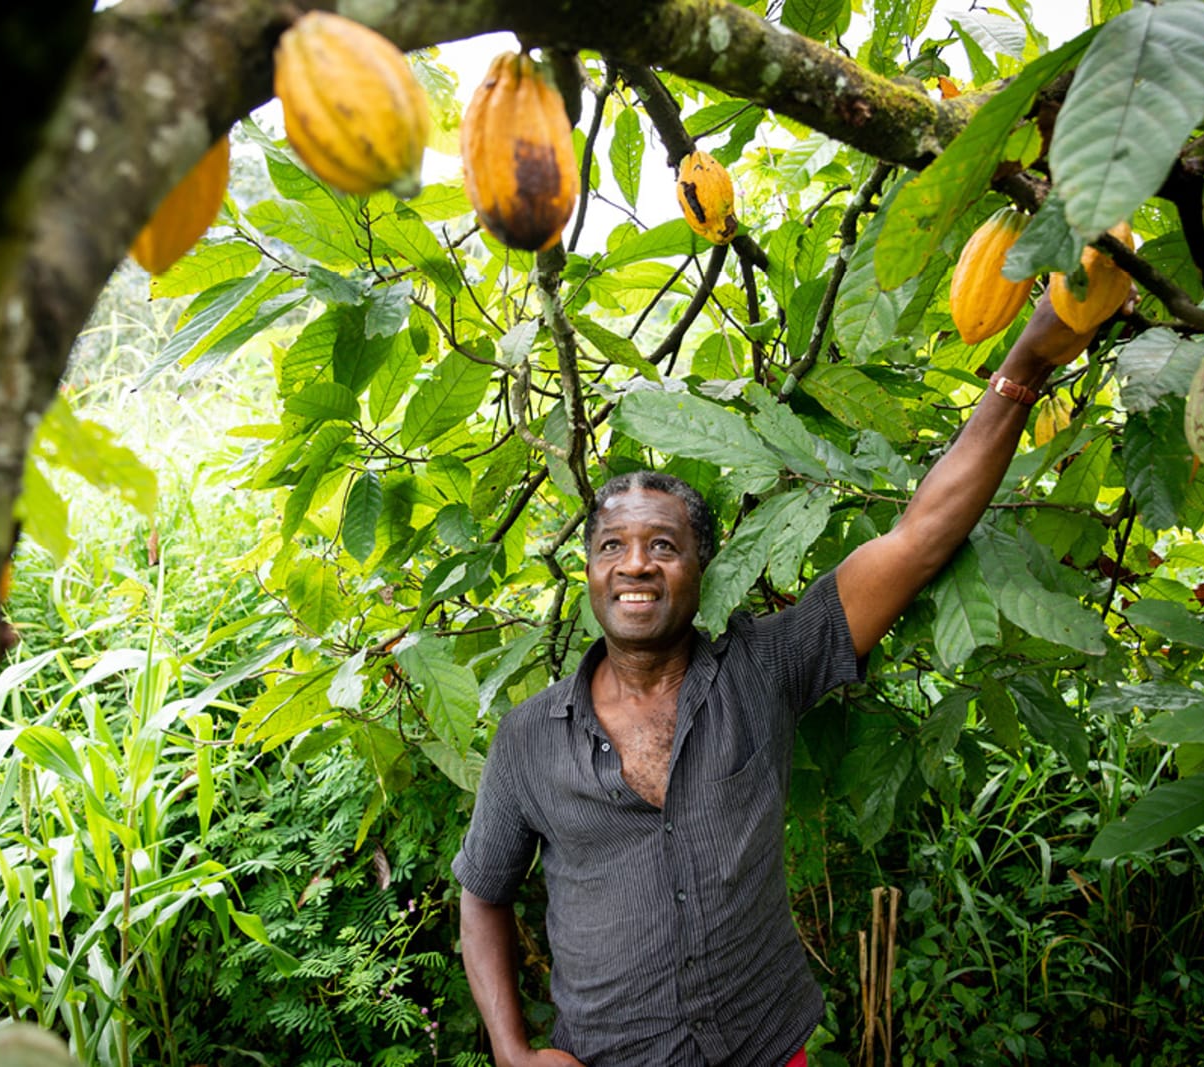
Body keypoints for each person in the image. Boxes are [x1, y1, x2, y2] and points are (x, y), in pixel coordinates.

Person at [451, 299, 1097, 1067]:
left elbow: (919, 537)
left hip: (764, 1045)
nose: (635, 564)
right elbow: (482, 893)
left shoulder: (764, 667)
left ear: (702, 568)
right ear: (590, 570)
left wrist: (1025, 364)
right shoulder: (528, 736)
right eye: (612, 546)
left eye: (664, 543)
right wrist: (512, 1052)